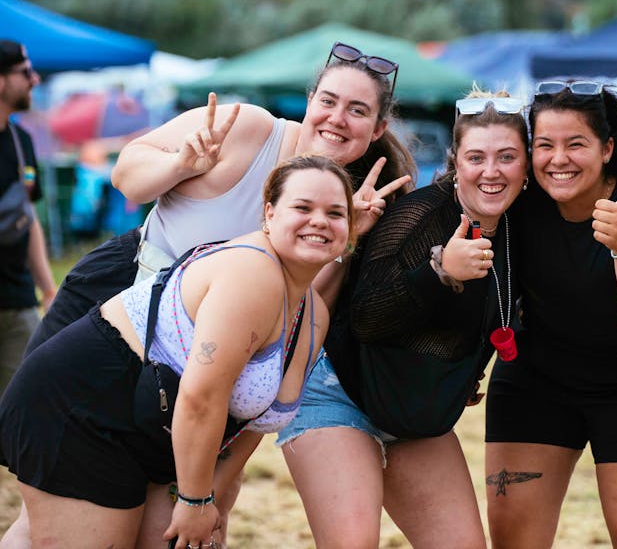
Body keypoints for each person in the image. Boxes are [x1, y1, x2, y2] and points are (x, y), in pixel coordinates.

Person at [0, 154, 353, 548]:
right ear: (269, 213)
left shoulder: (312, 311)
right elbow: (202, 397)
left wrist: (213, 492)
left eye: (335, 213)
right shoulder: (252, 274)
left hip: (150, 433)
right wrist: (195, 499)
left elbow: (255, 422)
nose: (320, 220)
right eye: (302, 207)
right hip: (80, 408)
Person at [24, 40, 414, 355]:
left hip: (200, 346)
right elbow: (125, 175)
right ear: (310, 100)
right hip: (119, 288)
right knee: (30, 430)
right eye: (328, 101)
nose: (337, 118)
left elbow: (296, 313)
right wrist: (179, 165)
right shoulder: (251, 128)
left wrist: (347, 241)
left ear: (378, 128)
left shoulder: (347, 209)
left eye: (357, 110)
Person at [279, 90, 529, 549]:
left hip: (413, 410)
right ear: (457, 161)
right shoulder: (422, 217)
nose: (491, 172)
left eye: (507, 157)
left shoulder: (519, 229)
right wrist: (439, 272)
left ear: (526, 165)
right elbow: (367, 317)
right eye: (477, 157)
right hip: (341, 390)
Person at [485, 80, 617, 549]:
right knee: (513, 538)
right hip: (537, 380)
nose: (558, 159)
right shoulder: (518, 201)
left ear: (607, 149)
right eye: (544, 145)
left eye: (575, 144)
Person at [0, 39, 56, 391]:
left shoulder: (22, 140)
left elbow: (28, 217)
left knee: (23, 407)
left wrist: (48, 289)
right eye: (24, 73)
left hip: (17, 304)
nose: (35, 79)